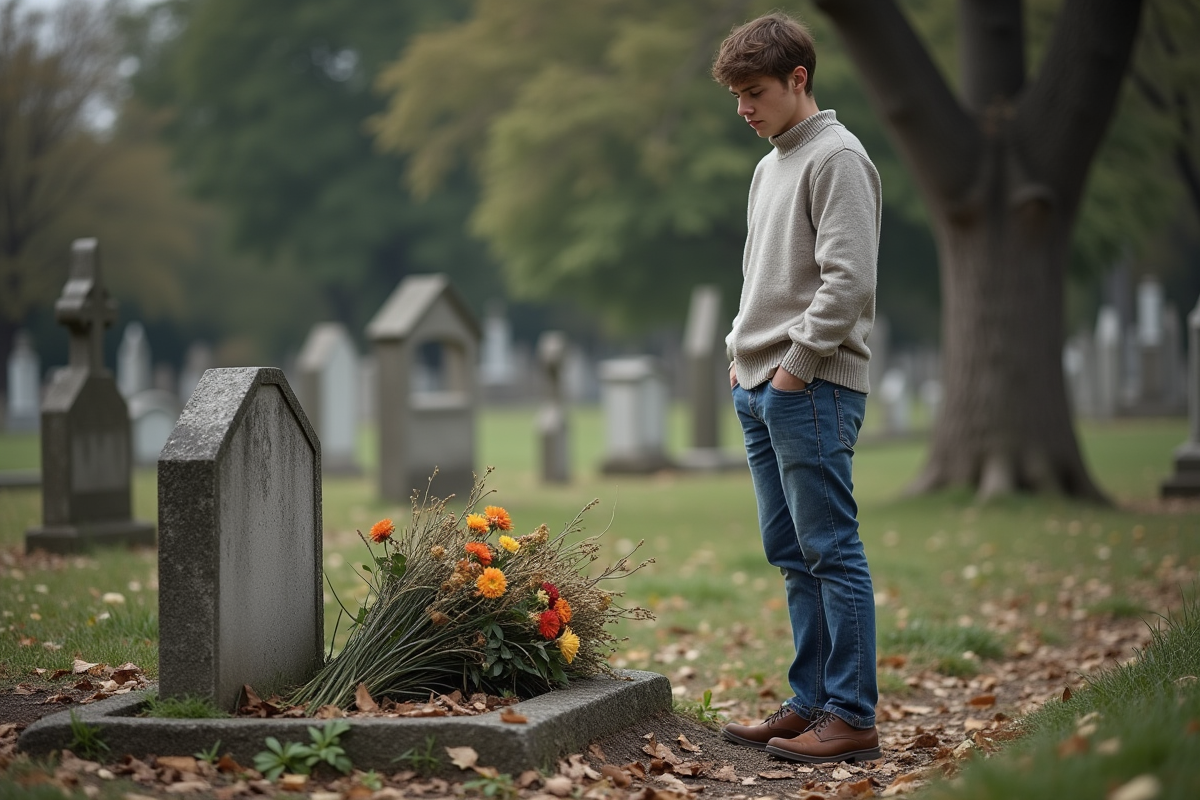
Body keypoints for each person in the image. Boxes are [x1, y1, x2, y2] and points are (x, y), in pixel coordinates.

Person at [711, 12, 883, 765]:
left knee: (831, 550)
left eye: (755, 92)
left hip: (808, 388)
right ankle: (810, 702)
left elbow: (848, 283)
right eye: (737, 95)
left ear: (798, 80)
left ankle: (850, 714)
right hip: (760, 383)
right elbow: (760, 276)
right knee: (791, 551)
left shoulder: (837, 158)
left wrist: (792, 371)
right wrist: (738, 355)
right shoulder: (770, 162)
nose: (744, 108)